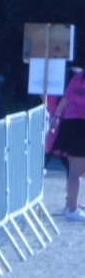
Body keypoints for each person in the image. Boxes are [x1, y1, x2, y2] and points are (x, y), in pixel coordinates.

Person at [48, 65, 85, 221]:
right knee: (76, 171)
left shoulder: (79, 76)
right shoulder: (79, 76)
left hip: (71, 124)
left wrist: (56, 116)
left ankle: (71, 205)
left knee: (75, 171)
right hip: (79, 125)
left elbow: (66, 97)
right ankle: (72, 209)